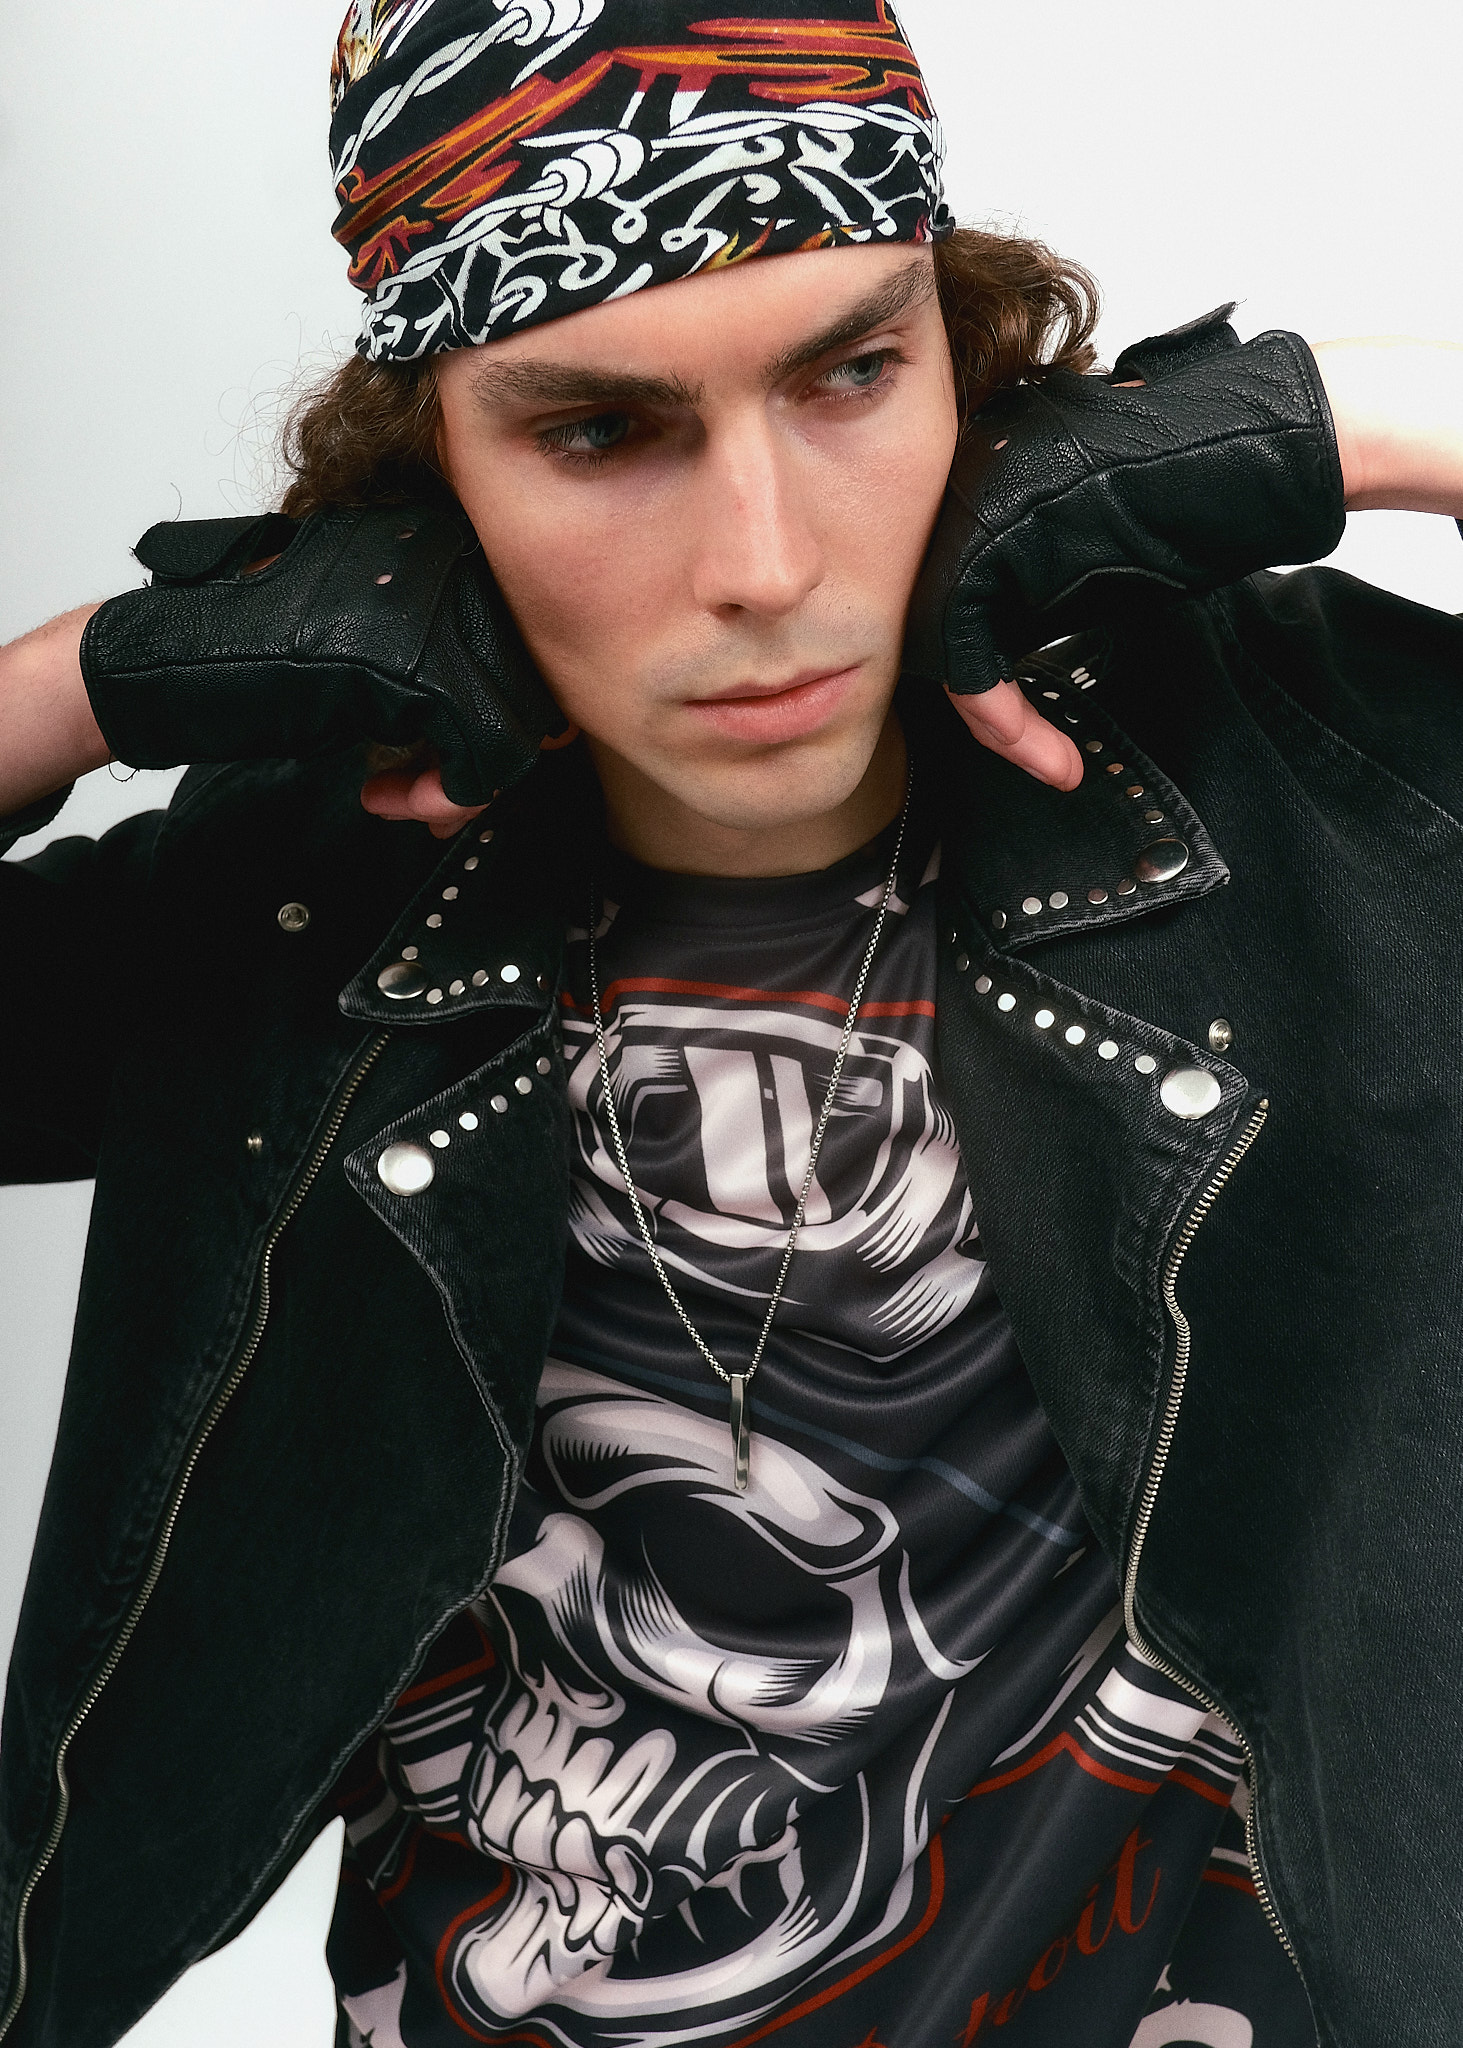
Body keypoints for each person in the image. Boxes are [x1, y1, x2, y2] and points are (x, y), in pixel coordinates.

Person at [1, 2, 1461, 2044]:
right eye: (602, 433)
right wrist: (96, 676)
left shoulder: (1303, 775)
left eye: (852, 371)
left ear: (962, 357)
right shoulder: (298, 892)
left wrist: (1329, 424)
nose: (763, 567)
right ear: (434, 471)